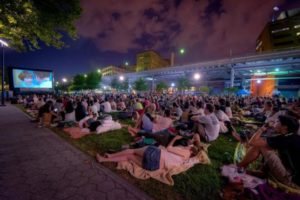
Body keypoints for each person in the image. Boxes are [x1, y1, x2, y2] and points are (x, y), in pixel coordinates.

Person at [238, 115, 300, 187]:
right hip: (292, 174)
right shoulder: (293, 137)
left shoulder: (286, 139)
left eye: (277, 121)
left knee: (261, 146)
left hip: (290, 179)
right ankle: (261, 172)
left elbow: (252, 142)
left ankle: (239, 167)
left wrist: (262, 129)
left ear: (285, 127)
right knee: (269, 148)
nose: (274, 123)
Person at [96, 135, 203, 170]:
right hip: (154, 165)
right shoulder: (186, 156)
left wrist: (175, 139)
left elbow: (169, 148)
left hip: (156, 150)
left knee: (134, 148)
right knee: (131, 154)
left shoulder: (185, 149)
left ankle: (111, 155)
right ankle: (105, 159)